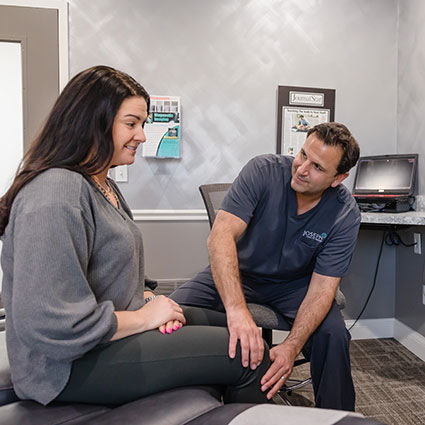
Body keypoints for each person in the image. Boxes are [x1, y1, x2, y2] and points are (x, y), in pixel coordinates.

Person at [0, 65, 271, 406]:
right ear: (91, 121)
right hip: (65, 368)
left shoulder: (101, 183)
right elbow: (55, 325)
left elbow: (112, 266)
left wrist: (147, 299)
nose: (142, 136)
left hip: (110, 334)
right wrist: (144, 319)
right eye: (131, 124)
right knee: (250, 355)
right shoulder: (56, 193)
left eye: (142, 124)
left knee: (240, 330)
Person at [171, 122, 361, 411]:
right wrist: (237, 311)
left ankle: (337, 416)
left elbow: (324, 287)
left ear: (339, 177)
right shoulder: (263, 171)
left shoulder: (344, 214)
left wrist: (291, 347)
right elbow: (220, 237)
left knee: (334, 335)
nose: (302, 168)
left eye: (318, 167)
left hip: (294, 285)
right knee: (169, 313)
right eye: (302, 154)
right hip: (240, 272)